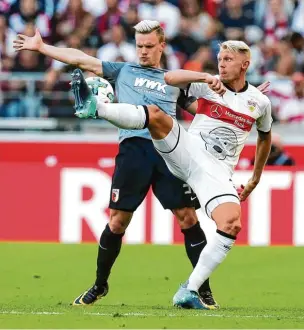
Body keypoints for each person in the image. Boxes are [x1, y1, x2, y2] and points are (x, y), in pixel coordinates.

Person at [13, 20, 217, 308]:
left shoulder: (174, 80)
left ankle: (201, 288)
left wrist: (244, 100)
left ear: (162, 46)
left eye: (149, 46)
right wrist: (42, 47)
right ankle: (100, 284)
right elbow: (81, 59)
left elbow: (207, 112)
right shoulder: (123, 70)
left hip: (170, 151)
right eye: (139, 47)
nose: (143, 52)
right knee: (118, 222)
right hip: (133, 150)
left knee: (188, 218)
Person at [66, 40, 273, 309]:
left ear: (245, 65)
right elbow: (170, 77)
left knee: (231, 223)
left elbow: (265, 137)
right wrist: (205, 76)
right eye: (220, 58)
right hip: (187, 150)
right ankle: (98, 108)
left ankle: (191, 289)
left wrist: (255, 178)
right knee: (156, 115)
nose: (221, 64)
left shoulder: (260, 101)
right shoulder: (207, 84)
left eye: (228, 60)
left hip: (216, 171)